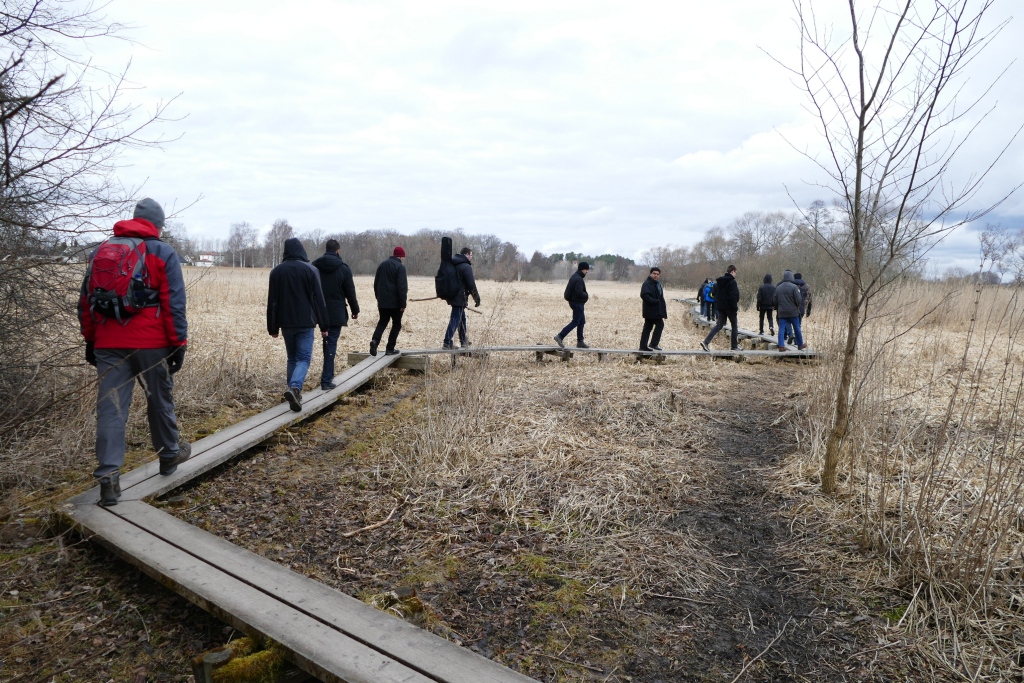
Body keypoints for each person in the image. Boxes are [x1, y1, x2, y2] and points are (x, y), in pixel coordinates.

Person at [78, 198, 191, 507]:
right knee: (159, 398)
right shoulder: (162, 252)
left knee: (111, 408)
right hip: (151, 342)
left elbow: (86, 301)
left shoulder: (101, 251)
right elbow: (173, 304)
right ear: (157, 224)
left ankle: (109, 479)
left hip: (108, 342)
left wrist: (91, 339)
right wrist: (178, 343)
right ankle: (169, 455)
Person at [267, 238, 329, 412]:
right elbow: (319, 300)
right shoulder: (311, 270)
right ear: (302, 251)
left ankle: (293, 392)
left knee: (292, 357)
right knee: (303, 358)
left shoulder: (276, 272)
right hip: (305, 322)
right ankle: (294, 387)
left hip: (286, 323)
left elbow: (272, 301)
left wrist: (273, 327)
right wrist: (324, 326)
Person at [312, 239, 359, 390]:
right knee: (331, 343)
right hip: (336, 311)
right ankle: (326, 380)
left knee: (326, 342)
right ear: (338, 250)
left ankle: (329, 374)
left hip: (318, 311)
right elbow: (350, 292)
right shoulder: (344, 268)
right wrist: (355, 310)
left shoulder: (314, 267)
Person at [371, 246, 408, 356]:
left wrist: (378, 298)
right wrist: (403, 304)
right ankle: (390, 348)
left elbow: (376, 283)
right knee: (396, 325)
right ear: (401, 256)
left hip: (382, 302)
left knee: (382, 322)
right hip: (395, 303)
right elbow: (401, 287)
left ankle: (375, 341)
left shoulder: (382, 265)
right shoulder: (400, 267)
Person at [443, 247, 481, 350]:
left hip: (453, 295)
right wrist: (477, 298)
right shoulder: (465, 267)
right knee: (455, 319)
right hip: (459, 297)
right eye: (471, 255)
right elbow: (471, 284)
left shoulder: (454, 264)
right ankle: (447, 342)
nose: (472, 257)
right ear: (467, 254)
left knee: (461, 318)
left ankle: (463, 340)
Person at [699, 265, 740, 352]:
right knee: (734, 326)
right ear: (732, 271)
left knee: (719, 325)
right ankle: (734, 346)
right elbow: (733, 297)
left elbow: (716, 295)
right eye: (735, 272)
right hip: (730, 308)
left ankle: (706, 342)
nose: (736, 274)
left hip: (721, 307)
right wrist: (735, 308)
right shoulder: (732, 282)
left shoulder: (719, 282)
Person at [554, 261, 590, 349]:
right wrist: (586, 295)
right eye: (586, 269)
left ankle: (580, 342)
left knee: (581, 322)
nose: (587, 271)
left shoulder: (575, 277)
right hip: (577, 304)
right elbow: (579, 293)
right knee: (576, 322)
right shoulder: (578, 279)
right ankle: (560, 336)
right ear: (582, 269)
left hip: (575, 303)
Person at [773, 270, 807, 351]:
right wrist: (796, 306)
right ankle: (800, 344)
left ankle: (781, 346)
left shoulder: (778, 288)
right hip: (793, 312)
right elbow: (799, 300)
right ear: (791, 277)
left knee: (781, 329)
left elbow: (774, 301)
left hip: (782, 313)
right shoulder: (794, 287)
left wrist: (778, 307)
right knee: (797, 328)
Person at [640, 267, 668, 351]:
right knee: (660, 325)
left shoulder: (657, 284)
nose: (656, 275)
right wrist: (654, 301)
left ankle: (643, 346)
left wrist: (663, 310)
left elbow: (661, 298)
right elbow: (644, 295)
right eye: (654, 273)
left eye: (657, 274)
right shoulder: (647, 283)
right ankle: (653, 344)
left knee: (648, 328)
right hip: (650, 310)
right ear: (650, 274)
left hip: (656, 310)